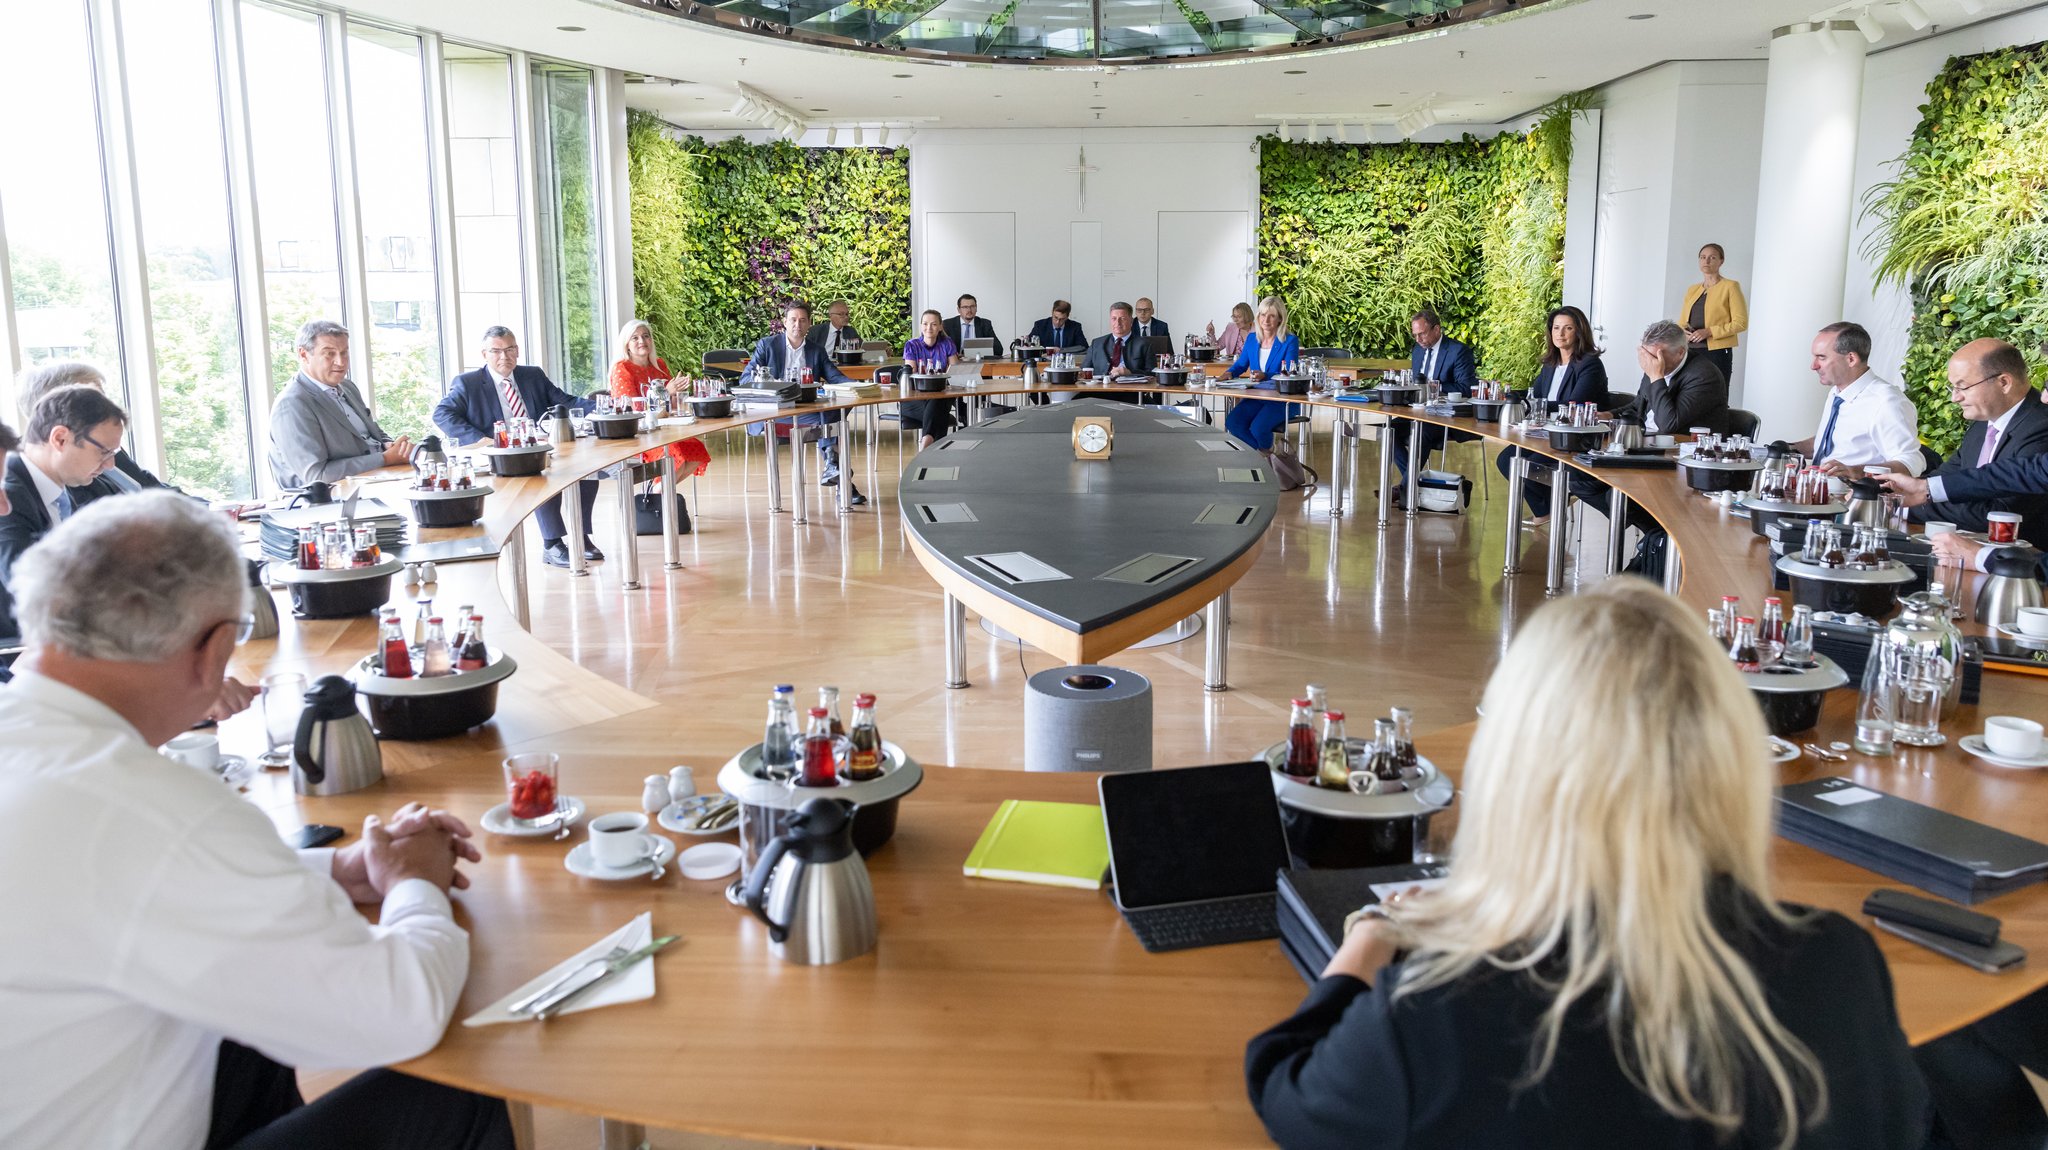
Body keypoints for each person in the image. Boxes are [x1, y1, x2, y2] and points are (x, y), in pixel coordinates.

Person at [1245, 579, 1934, 1149]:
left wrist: (1368, 937)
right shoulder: (1841, 968)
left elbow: (1286, 1087)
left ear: (1516, 763)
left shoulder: (1430, 1020)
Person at [0, 491, 512, 1150]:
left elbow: (116, 889)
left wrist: (338, 870)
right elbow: (401, 1013)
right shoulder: (151, 810)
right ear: (212, 651)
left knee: (244, 1027)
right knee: (454, 1094)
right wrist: (417, 885)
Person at [434, 326, 604, 569]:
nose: (505, 356)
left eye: (510, 349)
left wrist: (602, 410)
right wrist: (482, 440)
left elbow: (565, 401)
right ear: (484, 354)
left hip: (538, 445)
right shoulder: (468, 383)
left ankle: (581, 536)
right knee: (541, 474)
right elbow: (442, 414)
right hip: (500, 456)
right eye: (496, 351)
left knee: (588, 471)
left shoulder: (532, 375)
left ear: (518, 350)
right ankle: (553, 543)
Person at [1880, 338, 2048, 545]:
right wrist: (1892, 492)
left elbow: (1998, 514)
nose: (1955, 398)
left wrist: (1905, 504)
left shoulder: (2041, 425)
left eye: (1963, 387)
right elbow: (1947, 477)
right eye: (1953, 388)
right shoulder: (1983, 423)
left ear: (2003, 382)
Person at [1, 385, 127, 645]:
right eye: (104, 452)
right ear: (60, 439)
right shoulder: (8, 494)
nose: (110, 465)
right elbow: (27, 586)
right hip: (24, 648)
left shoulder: (67, 489)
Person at [739, 301, 865, 506]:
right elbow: (746, 379)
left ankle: (833, 465)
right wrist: (772, 384)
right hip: (776, 412)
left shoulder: (816, 350)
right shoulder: (767, 345)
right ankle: (840, 476)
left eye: (802, 320)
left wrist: (859, 386)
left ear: (809, 324)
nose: (798, 324)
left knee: (838, 408)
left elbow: (835, 377)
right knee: (827, 418)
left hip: (806, 409)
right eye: (793, 320)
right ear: (785, 322)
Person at [1494, 305, 1608, 522]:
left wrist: (1532, 404)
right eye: (1556, 328)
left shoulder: (1590, 365)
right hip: (1546, 431)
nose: (1560, 334)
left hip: (1574, 436)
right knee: (1506, 460)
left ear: (1579, 332)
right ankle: (1549, 507)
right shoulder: (1550, 364)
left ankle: (1549, 508)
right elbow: (1536, 395)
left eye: (1568, 329)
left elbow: (1572, 405)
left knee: (1527, 465)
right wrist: (1507, 394)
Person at [268, 319, 412, 490]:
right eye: (329, 353)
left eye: (344, 353)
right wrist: (386, 458)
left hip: (373, 482)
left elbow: (370, 432)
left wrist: (390, 445)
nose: (341, 362)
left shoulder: (347, 387)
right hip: (326, 502)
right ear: (304, 354)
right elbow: (316, 475)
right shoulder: (292, 404)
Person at [1779, 322, 1924, 479]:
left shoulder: (1886, 402)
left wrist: (1856, 471)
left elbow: (1912, 463)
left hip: (1853, 498)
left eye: (1821, 357)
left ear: (1851, 359)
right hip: (1818, 491)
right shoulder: (1837, 392)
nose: (1813, 366)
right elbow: (1830, 443)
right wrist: (1788, 448)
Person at [14, 361, 173, 494]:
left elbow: (156, 490)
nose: (106, 408)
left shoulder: (106, 448)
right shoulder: (54, 475)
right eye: (94, 401)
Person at [609, 318, 713, 486]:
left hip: (663, 430)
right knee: (674, 456)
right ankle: (660, 499)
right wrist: (666, 392)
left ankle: (660, 494)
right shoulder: (622, 369)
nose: (642, 341)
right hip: (639, 435)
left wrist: (676, 394)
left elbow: (670, 405)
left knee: (697, 452)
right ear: (626, 344)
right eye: (635, 338)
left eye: (646, 336)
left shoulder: (658, 365)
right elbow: (631, 409)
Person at [1388, 309, 1482, 489]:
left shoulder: (1458, 351)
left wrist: (1433, 387)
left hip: (1447, 416)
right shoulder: (1418, 350)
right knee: (1388, 429)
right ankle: (1414, 484)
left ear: (1437, 329)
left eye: (1422, 334)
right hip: (1419, 411)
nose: (1418, 340)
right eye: (1414, 335)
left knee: (1421, 431)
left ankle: (1407, 489)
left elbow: (1466, 388)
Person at [1223, 296, 1303, 452]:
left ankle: (1265, 455)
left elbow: (1289, 373)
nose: (1266, 320)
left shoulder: (1289, 341)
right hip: (1257, 397)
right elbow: (1241, 364)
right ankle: (1264, 454)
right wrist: (1228, 373)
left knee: (1258, 428)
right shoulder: (1253, 339)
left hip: (1281, 400)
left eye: (1271, 315)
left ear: (1280, 319)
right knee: (1233, 422)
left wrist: (1265, 375)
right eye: (1263, 315)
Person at [1057, 301, 1155, 405]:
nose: (1118, 323)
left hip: (1131, 393)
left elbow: (1152, 375)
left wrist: (1129, 372)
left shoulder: (1144, 344)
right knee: (1073, 404)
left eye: (1122, 318)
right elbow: (1084, 371)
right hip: (1099, 393)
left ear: (1131, 320)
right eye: (1114, 319)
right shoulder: (1097, 343)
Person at [1680, 243, 1749, 386]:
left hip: (1716, 352)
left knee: (1717, 392)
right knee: (1690, 392)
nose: (1706, 261)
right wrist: (1682, 333)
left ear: (1721, 261)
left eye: (1712, 257)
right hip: (1690, 351)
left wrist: (1709, 331)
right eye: (1703, 257)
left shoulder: (1730, 286)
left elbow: (1740, 323)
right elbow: (1682, 322)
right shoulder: (1692, 290)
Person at [898, 310, 959, 450]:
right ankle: (932, 450)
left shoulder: (947, 343)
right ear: (920, 326)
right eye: (925, 324)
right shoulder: (912, 345)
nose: (929, 328)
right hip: (914, 399)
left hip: (940, 395)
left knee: (937, 400)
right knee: (940, 413)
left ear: (940, 327)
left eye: (933, 324)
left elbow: (956, 371)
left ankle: (924, 444)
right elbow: (911, 373)